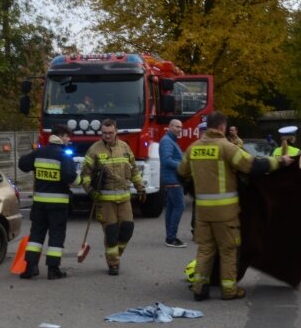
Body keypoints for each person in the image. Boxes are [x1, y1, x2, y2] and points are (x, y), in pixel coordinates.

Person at [178, 111, 293, 301]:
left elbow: (181, 174)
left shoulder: (193, 148)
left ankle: (199, 288)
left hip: (202, 211)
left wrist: (195, 192)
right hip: (225, 212)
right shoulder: (227, 148)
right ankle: (229, 290)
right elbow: (253, 166)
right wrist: (280, 161)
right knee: (229, 250)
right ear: (222, 127)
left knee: (205, 249)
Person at [81, 119, 146, 275]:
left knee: (127, 230)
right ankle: (113, 263)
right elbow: (85, 175)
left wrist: (140, 188)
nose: (107, 136)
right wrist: (90, 191)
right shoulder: (94, 150)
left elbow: (134, 171)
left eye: (110, 133)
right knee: (111, 233)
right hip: (104, 200)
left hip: (124, 198)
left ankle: (116, 254)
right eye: (104, 133)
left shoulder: (124, 148)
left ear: (116, 131)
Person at [17, 124, 78, 279]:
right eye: (67, 136)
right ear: (60, 136)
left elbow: (23, 164)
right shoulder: (64, 155)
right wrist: (85, 179)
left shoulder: (40, 152)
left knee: (36, 235)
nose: (68, 140)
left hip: (39, 204)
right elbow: (70, 177)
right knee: (56, 235)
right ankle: (53, 270)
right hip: (58, 204)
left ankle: (30, 268)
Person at [159, 119, 187, 248]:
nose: (179, 129)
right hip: (173, 179)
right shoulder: (167, 141)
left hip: (173, 179)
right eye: (176, 127)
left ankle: (170, 237)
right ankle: (171, 238)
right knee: (179, 207)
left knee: (171, 208)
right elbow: (166, 160)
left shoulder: (170, 141)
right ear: (169, 127)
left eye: (181, 127)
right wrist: (184, 165)